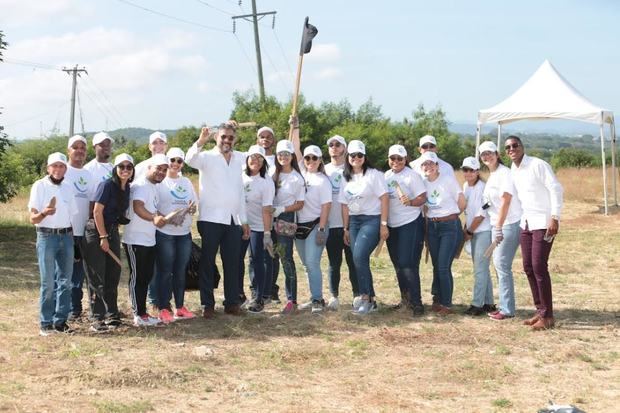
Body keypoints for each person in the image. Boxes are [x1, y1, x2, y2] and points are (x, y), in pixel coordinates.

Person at [185, 122, 250, 319]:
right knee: (207, 262)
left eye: (230, 137)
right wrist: (200, 140)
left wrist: (244, 220)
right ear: (216, 138)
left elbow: (239, 192)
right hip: (210, 218)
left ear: (235, 139)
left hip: (232, 220)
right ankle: (207, 304)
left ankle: (232, 303)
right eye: (223, 137)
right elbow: (189, 159)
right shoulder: (206, 157)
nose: (227, 140)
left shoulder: (239, 158)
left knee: (232, 263)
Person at [506, 136, 563, 330]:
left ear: (522, 147)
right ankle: (540, 311)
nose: (512, 149)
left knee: (539, 266)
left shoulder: (538, 164)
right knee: (528, 267)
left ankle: (548, 317)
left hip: (543, 222)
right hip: (527, 223)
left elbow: (556, 189)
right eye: (508, 147)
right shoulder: (514, 169)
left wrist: (555, 217)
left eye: (515, 145)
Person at [83, 153, 134, 332]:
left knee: (113, 273)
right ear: (115, 169)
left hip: (112, 231)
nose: (125, 170)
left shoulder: (126, 187)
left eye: (129, 167)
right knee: (97, 276)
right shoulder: (106, 185)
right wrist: (103, 237)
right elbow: (97, 212)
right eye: (121, 166)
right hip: (96, 232)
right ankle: (96, 318)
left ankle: (112, 314)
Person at [28, 152, 77, 336]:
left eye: (61, 166)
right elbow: (33, 218)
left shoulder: (68, 186)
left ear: (65, 169)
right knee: (48, 282)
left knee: (66, 281)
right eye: (54, 166)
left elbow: (71, 216)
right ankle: (46, 322)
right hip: (47, 237)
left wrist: (74, 239)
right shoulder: (39, 186)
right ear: (48, 168)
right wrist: (44, 214)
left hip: (66, 236)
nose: (58, 169)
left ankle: (60, 321)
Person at [339, 140, 389, 315]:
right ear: (348, 157)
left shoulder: (374, 174)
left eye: (360, 155)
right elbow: (344, 205)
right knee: (357, 259)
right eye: (353, 155)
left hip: (371, 220)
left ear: (365, 157)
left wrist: (383, 224)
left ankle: (366, 299)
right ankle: (370, 298)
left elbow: (384, 198)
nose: (356, 158)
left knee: (359, 256)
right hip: (353, 221)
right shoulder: (345, 177)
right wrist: (345, 228)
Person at [122, 154, 169, 326]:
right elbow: (138, 207)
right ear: (149, 168)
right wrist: (153, 218)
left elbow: (152, 211)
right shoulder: (141, 185)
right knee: (138, 278)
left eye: (164, 170)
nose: (161, 173)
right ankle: (138, 314)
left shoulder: (153, 187)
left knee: (145, 277)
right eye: (158, 168)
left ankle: (143, 313)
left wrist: (169, 217)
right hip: (135, 240)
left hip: (149, 240)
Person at [291, 121, 332, 313]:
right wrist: (296, 126)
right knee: (307, 264)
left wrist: (322, 228)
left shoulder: (323, 181)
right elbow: (295, 147)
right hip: (299, 226)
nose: (310, 161)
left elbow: (326, 206)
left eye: (314, 158)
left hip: (316, 225)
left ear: (320, 160)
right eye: (307, 158)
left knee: (313, 263)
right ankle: (313, 296)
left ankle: (318, 300)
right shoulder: (300, 172)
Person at [479, 140, 522, 321]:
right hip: (498, 224)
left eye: (490, 152)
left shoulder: (505, 173)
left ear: (497, 154)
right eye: (484, 154)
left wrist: (498, 227)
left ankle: (507, 309)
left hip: (508, 224)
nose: (487, 156)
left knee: (502, 265)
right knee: (499, 265)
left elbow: (506, 200)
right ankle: (505, 306)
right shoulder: (493, 174)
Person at [154, 148, 198, 323]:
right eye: (172, 160)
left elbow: (194, 204)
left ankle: (180, 307)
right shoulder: (160, 181)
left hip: (184, 233)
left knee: (180, 271)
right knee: (165, 272)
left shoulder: (186, 181)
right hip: (165, 233)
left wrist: (191, 208)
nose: (175, 164)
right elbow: (153, 205)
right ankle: (164, 307)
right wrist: (166, 218)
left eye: (180, 161)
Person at [421, 151, 466, 315]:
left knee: (443, 266)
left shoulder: (448, 180)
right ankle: (437, 299)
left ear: (437, 166)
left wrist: (451, 216)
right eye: (425, 164)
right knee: (436, 266)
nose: (428, 167)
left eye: (431, 164)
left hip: (449, 226)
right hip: (432, 227)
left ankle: (447, 304)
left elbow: (462, 203)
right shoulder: (423, 183)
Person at [384, 144, 427, 316]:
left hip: (410, 223)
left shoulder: (412, 176)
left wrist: (410, 202)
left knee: (408, 264)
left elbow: (422, 197)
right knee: (398, 265)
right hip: (392, 225)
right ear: (388, 160)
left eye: (399, 159)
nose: (396, 161)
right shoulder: (386, 176)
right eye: (393, 158)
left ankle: (417, 303)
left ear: (405, 160)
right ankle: (405, 300)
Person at [134, 131, 168, 311]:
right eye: (155, 142)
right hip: (142, 227)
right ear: (149, 146)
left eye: (162, 142)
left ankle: (159, 301)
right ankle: (147, 303)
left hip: (160, 226)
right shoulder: (141, 169)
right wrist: (154, 217)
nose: (158, 146)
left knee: (158, 266)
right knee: (143, 270)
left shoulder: (169, 166)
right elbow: (137, 202)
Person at [239, 145, 275, 314]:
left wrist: (267, 233)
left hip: (258, 227)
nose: (256, 161)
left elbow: (267, 209)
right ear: (247, 159)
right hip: (239, 224)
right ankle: (238, 295)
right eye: (252, 157)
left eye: (260, 158)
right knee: (237, 260)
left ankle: (259, 297)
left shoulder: (266, 182)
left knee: (256, 260)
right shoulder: (240, 177)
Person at [323, 135, 358, 310]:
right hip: (331, 224)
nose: (334, 147)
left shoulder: (352, 169)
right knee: (333, 263)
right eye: (331, 145)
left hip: (350, 223)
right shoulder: (324, 170)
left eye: (338, 145)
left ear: (344, 148)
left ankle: (357, 295)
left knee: (353, 262)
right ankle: (334, 296)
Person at [271, 139, 305, 314]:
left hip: (287, 218)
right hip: (269, 217)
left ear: (292, 156)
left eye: (286, 154)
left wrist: (282, 209)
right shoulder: (272, 173)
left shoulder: (296, 178)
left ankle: (292, 299)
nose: (283, 157)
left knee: (285, 258)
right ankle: (268, 294)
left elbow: (300, 203)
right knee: (271, 256)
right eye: (280, 154)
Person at [64, 135, 96, 320]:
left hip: (84, 231)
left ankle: (76, 310)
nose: (80, 150)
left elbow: (92, 203)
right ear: (69, 150)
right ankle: (66, 309)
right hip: (66, 231)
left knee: (79, 276)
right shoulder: (62, 170)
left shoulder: (88, 174)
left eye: (83, 147)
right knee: (65, 273)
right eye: (75, 147)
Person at [461, 156, 495, 316]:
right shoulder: (465, 186)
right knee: (482, 268)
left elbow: (482, 214)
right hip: (473, 230)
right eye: (465, 170)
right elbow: (467, 211)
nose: (468, 173)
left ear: (477, 171)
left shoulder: (483, 187)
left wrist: (469, 231)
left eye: (471, 170)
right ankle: (488, 302)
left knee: (479, 269)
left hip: (483, 231)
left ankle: (477, 304)